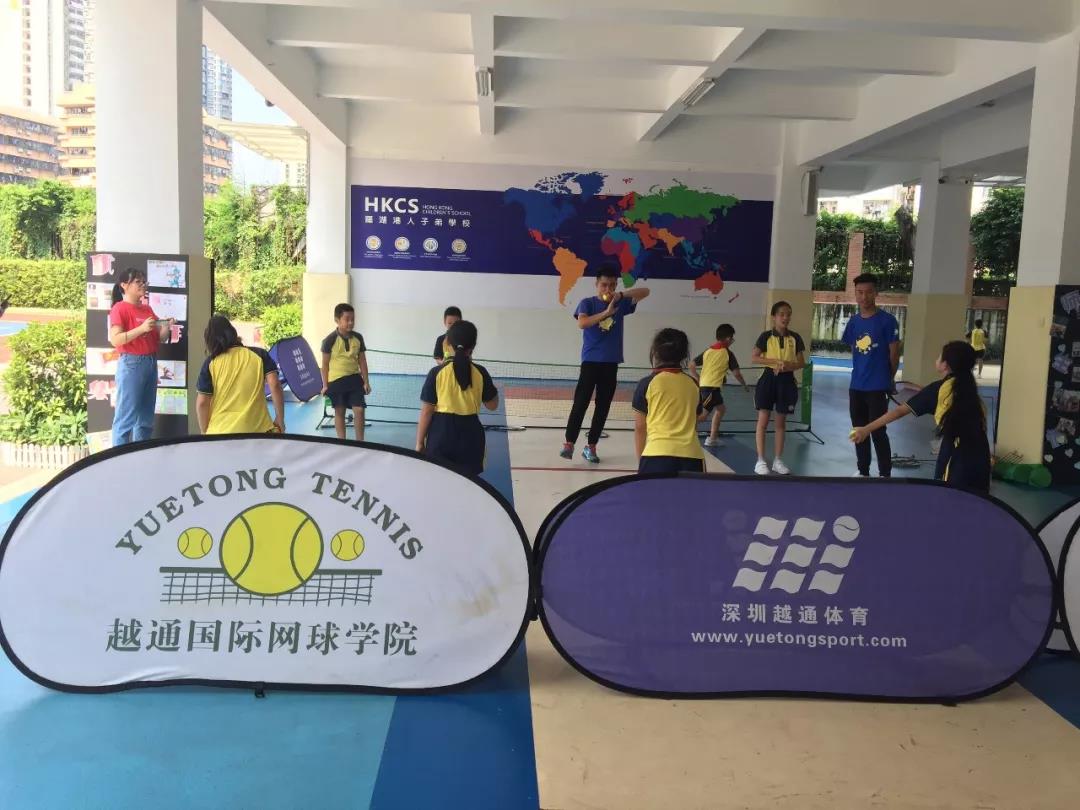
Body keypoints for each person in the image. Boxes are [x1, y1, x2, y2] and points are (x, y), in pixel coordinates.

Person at [851, 341, 990, 492]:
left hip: (956, 456)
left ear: (945, 365)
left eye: (939, 357)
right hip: (982, 454)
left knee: (949, 497)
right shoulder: (970, 391)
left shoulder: (938, 389)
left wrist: (866, 429)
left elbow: (898, 412)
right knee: (979, 501)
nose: (936, 359)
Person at [561, 264, 650, 463]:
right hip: (590, 361)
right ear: (596, 284)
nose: (607, 289)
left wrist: (621, 295)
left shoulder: (621, 303)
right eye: (604, 285)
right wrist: (606, 313)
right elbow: (582, 323)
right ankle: (569, 443)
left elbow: (646, 292)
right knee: (580, 403)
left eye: (611, 285)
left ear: (616, 285)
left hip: (611, 363)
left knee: (603, 406)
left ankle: (591, 446)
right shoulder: (587, 303)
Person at [416, 320, 499, 476]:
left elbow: (427, 411)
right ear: (473, 346)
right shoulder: (480, 372)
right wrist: (493, 390)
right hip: (471, 434)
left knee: (440, 480)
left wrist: (420, 443)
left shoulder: (436, 373)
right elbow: (492, 405)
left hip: (441, 433)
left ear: (448, 344)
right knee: (467, 483)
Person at [842, 273, 901, 477]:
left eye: (868, 292)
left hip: (877, 387)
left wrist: (888, 378)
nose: (864, 297)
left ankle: (885, 473)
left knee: (877, 431)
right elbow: (854, 351)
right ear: (855, 294)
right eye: (860, 292)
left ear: (876, 293)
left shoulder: (887, 321)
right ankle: (863, 471)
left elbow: (894, 354)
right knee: (858, 429)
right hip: (856, 386)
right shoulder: (853, 322)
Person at [107, 267, 173, 446]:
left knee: (145, 419)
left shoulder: (147, 309)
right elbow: (115, 339)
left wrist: (166, 326)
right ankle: (119, 457)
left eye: (144, 282)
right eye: (138, 282)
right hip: (131, 363)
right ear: (124, 285)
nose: (143, 285)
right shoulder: (119, 308)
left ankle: (141, 454)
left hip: (150, 362)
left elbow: (161, 338)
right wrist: (141, 329)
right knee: (125, 418)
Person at [633, 328, 707, 474]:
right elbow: (694, 423)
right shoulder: (693, 384)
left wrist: (641, 462)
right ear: (684, 354)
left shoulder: (647, 383)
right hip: (692, 457)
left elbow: (640, 427)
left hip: (656, 456)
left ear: (656, 352)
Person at [195, 315, 285, 435]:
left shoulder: (211, 363)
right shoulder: (259, 355)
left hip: (220, 433)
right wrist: (280, 419)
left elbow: (202, 403)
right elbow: (275, 385)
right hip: (257, 431)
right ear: (233, 333)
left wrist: (204, 431)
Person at [751, 301, 806, 475]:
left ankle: (778, 461)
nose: (785, 317)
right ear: (774, 317)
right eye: (782, 314)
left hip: (787, 381)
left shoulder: (795, 338)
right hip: (768, 379)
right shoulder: (765, 336)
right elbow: (755, 357)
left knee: (780, 423)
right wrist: (775, 361)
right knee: (763, 421)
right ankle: (760, 460)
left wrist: (787, 366)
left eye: (788, 314)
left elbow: (801, 363)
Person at [690, 323, 749, 447]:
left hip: (709, 387)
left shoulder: (708, 351)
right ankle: (685, 433)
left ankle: (712, 438)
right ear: (728, 338)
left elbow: (692, 364)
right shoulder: (727, 353)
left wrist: (697, 378)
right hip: (711, 389)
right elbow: (737, 373)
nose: (732, 341)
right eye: (732, 338)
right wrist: (744, 385)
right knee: (703, 416)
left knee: (721, 409)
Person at [320, 303, 371, 442]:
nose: (351, 322)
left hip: (355, 379)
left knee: (359, 410)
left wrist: (366, 382)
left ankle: (360, 442)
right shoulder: (329, 340)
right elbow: (324, 364)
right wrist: (325, 385)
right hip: (336, 381)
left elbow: (362, 361)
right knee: (340, 411)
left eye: (353, 319)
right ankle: (342, 442)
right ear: (337, 320)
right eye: (347, 319)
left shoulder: (358, 338)